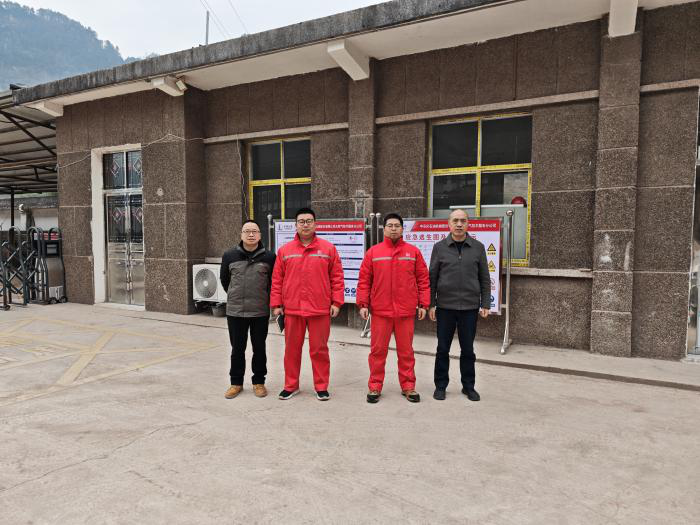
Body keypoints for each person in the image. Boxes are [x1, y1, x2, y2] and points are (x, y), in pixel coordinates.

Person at [270, 208, 344, 401]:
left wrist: (337, 302)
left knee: (319, 350)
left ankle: (321, 386)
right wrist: (276, 304)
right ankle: (291, 385)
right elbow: (277, 280)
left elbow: (337, 278)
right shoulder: (285, 251)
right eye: (301, 221)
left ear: (315, 224)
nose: (305, 224)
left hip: (320, 309)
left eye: (309, 221)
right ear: (295, 225)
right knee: (291, 350)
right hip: (293, 309)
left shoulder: (328, 249)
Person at [357, 213, 430, 404]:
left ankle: (408, 386)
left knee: (406, 352)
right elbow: (364, 280)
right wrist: (363, 304)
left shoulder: (413, 252)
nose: (394, 228)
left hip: (405, 311)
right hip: (381, 311)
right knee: (377, 352)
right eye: (390, 225)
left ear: (402, 229)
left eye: (397, 225)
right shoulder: (373, 253)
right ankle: (375, 386)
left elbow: (423, 279)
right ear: (384, 228)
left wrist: (423, 304)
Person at [429, 208, 491, 402]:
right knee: (442, 349)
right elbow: (432, 278)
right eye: (455, 220)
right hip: (445, 307)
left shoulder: (478, 247)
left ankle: (468, 386)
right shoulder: (439, 247)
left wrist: (485, 303)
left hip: (469, 308)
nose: (459, 224)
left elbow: (484, 277)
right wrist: (431, 304)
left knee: (468, 350)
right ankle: (440, 386)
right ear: (448, 224)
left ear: (468, 224)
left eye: (463, 221)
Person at [219, 220, 276, 399]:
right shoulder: (229, 255)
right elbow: (225, 280)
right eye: (247, 231)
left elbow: (273, 283)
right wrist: (236, 296)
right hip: (235, 312)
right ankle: (236, 383)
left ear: (260, 235)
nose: (251, 234)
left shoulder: (269, 257)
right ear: (241, 234)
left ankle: (259, 382)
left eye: (254, 231)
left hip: (259, 311)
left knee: (259, 348)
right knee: (237, 349)